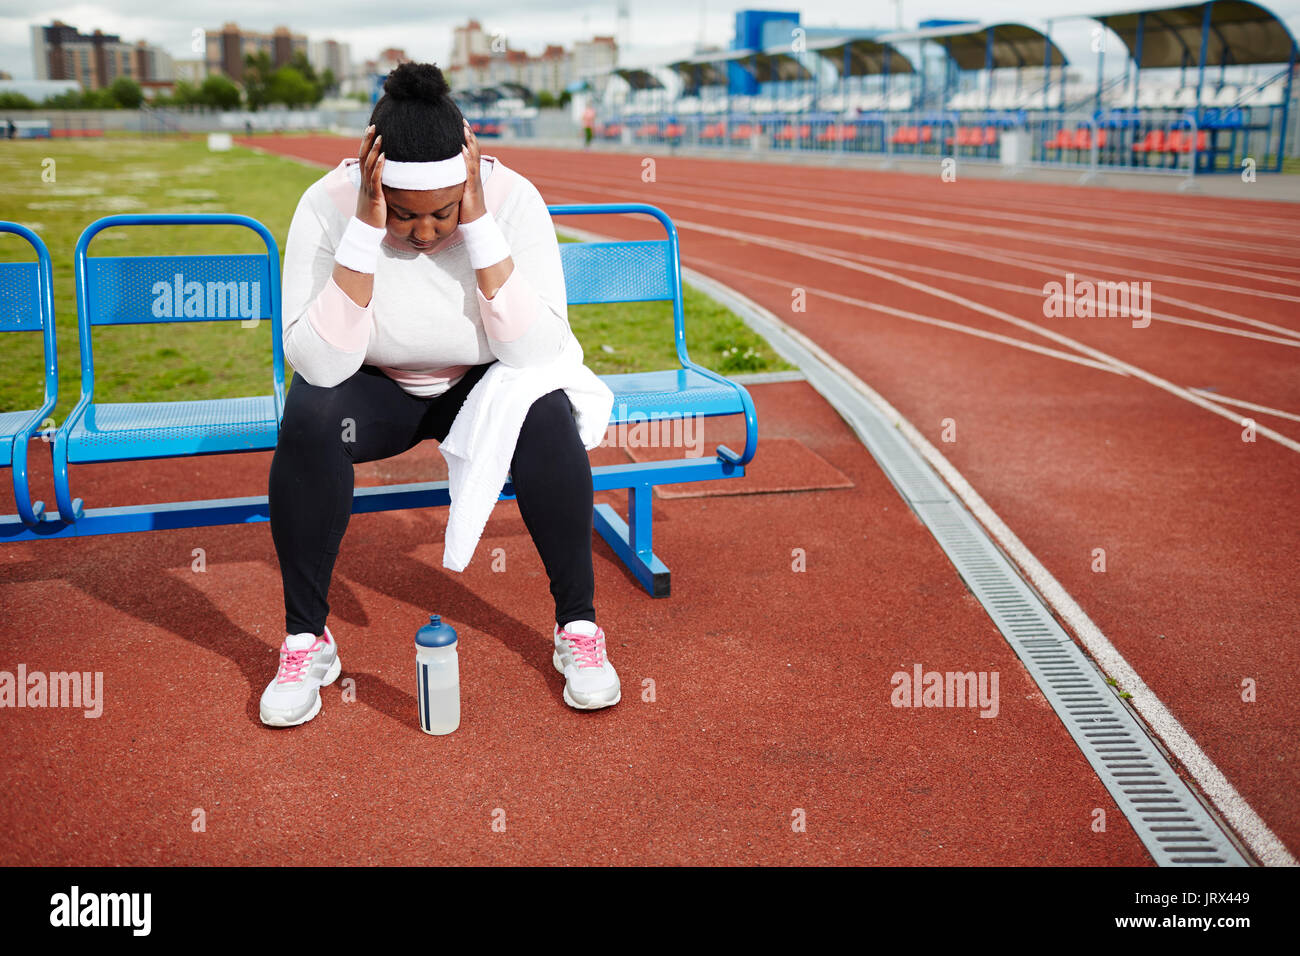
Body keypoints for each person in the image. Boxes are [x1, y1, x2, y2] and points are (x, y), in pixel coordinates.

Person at [261, 61, 620, 727]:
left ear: (469, 183)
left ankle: (578, 628)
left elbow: (537, 351)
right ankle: (306, 641)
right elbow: (317, 361)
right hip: (375, 391)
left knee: (546, 411)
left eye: (441, 214)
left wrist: (480, 227)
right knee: (309, 418)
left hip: (481, 385)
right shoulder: (326, 205)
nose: (424, 235)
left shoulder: (511, 200)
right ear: (372, 182)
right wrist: (366, 235)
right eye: (404, 215)